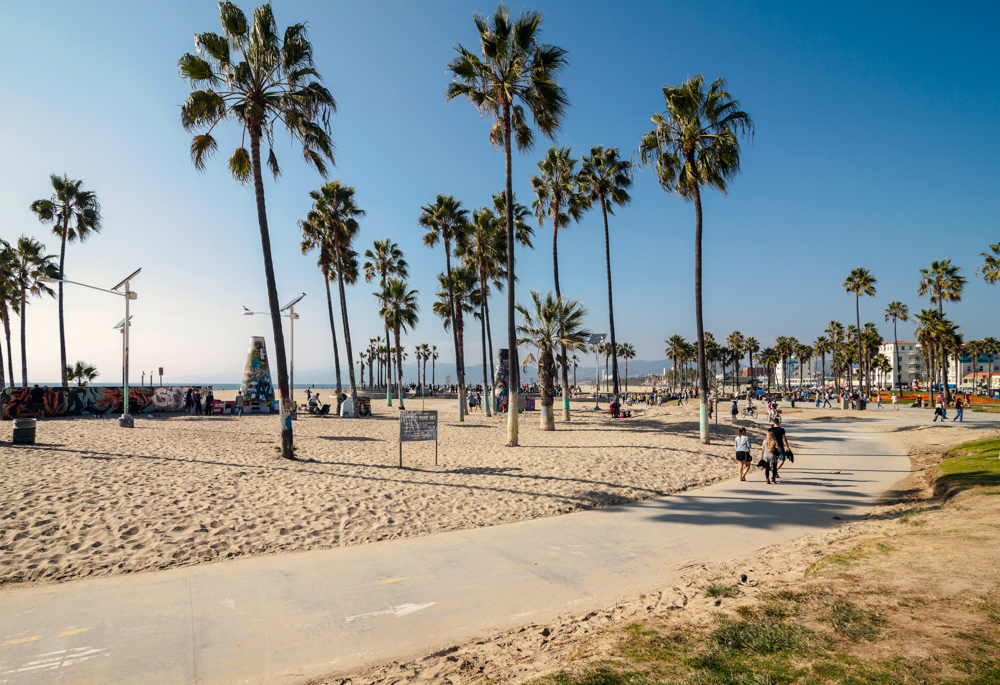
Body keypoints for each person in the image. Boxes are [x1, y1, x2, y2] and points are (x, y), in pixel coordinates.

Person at [764, 416, 792, 482]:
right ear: (778, 422)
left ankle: (772, 469)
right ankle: (775, 470)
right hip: (780, 445)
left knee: (772, 458)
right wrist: (787, 447)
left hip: (771, 445)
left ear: (773, 422)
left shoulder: (770, 429)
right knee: (782, 459)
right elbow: (784, 439)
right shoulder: (782, 430)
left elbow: (768, 438)